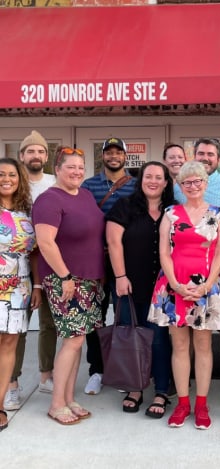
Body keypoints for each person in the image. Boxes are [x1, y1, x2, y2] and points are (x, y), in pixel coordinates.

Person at [148, 161, 220, 430]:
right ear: (180, 186)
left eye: (198, 181)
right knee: (180, 346)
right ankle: (183, 403)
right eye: (187, 182)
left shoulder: (219, 215)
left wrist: (206, 286)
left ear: (206, 184)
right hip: (174, 287)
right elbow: (163, 251)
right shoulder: (170, 213)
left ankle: (202, 404)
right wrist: (174, 284)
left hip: (207, 288)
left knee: (204, 347)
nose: (193, 186)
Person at [32, 147, 105, 425]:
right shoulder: (49, 200)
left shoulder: (85, 195)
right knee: (73, 340)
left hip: (88, 279)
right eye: (70, 167)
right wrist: (65, 277)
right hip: (65, 280)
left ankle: (69, 398)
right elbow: (46, 242)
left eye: (80, 167)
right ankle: (56, 403)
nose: (76, 172)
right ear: (58, 169)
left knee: (76, 341)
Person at [173, 138, 220, 399]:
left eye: (210, 154)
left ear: (218, 158)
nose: (205, 157)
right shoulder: (179, 188)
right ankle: (185, 384)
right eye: (200, 152)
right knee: (183, 338)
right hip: (182, 273)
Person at [106, 162, 175, 417]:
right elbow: (113, 242)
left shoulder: (173, 210)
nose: (154, 181)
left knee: (158, 339)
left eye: (159, 177)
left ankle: (161, 389)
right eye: (149, 176)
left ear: (167, 182)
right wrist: (120, 276)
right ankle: (134, 388)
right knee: (133, 337)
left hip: (163, 288)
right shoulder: (125, 206)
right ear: (140, 180)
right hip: (129, 283)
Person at [4, 131, 56, 413]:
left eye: (40, 151)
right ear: (22, 156)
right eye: (30, 151)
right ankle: (12, 383)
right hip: (15, 271)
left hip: (47, 264)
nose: (35, 155)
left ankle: (46, 375)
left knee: (48, 324)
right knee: (16, 329)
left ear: (46, 157)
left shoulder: (53, 184)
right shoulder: (13, 185)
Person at [81, 137, 135, 395]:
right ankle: (97, 370)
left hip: (126, 261)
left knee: (125, 315)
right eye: (109, 152)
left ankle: (124, 369)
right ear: (102, 155)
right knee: (95, 318)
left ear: (125, 156)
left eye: (118, 152)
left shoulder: (136, 185)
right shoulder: (89, 185)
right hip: (96, 260)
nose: (114, 156)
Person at [0, 157, 41, 432]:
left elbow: (36, 252)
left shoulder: (29, 211)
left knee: (9, 343)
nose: (6, 179)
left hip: (20, 286)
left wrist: (37, 285)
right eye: (1, 174)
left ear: (20, 179)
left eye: (12, 174)